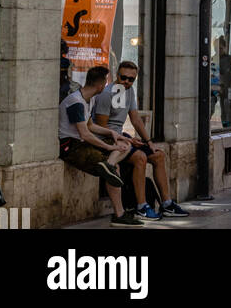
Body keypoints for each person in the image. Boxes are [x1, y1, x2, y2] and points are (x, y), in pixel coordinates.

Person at [92, 59, 188, 219]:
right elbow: (102, 129)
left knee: (158, 155)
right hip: (109, 140)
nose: (127, 82)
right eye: (123, 78)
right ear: (117, 75)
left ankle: (167, 204)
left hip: (122, 137)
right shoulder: (107, 94)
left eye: (131, 79)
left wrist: (149, 142)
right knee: (140, 158)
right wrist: (128, 141)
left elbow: (135, 118)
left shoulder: (129, 91)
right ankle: (141, 206)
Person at [58, 65, 142, 227]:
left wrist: (112, 134)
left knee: (124, 143)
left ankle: (108, 165)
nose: (105, 86)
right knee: (115, 166)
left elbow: (90, 125)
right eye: (105, 83)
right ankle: (120, 214)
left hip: (83, 143)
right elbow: (85, 134)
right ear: (100, 85)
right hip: (71, 147)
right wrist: (109, 147)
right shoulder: (75, 102)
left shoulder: (89, 98)